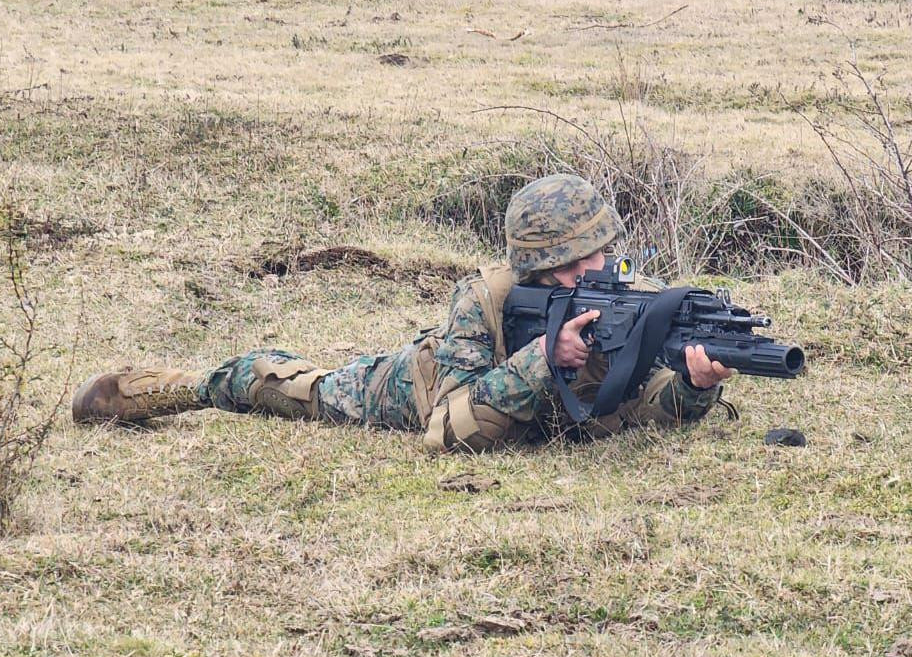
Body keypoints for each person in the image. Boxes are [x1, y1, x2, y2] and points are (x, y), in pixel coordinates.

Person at [72, 174, 733, 450]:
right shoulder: (486, 300)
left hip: (524, 408)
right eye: (568, 265)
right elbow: (446, 431)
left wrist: (695, 390)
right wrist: (541, 360)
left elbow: (646, 405)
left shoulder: (630, 297)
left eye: (598, 257)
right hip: (416, 388)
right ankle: (178, 389)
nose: (589, 275)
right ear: (535, 269)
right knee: (299, 391)